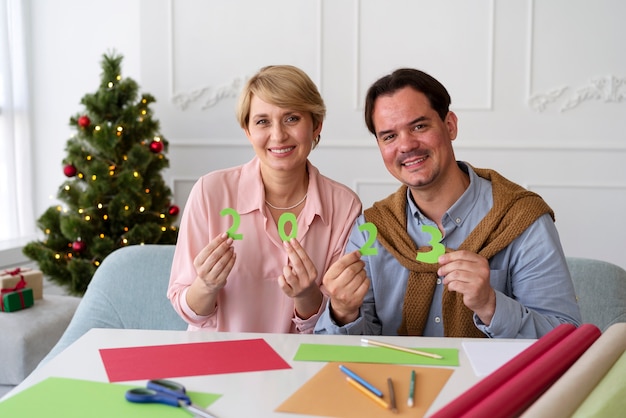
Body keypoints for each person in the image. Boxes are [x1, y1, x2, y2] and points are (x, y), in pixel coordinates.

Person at [314, 68, 581, 338]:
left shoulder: (522, 219)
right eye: (390, 136)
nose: (406, 145)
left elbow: (566, 338)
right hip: (395, 378)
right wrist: (343, 312)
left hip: (498, 380)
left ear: (450, 125)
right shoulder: (371, 230)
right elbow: (339, 349)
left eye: (419, 126)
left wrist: (491, 305)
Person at [168, 65, 362, 333]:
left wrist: (306, 296)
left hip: (299, 365)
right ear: (247, 130)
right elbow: (189, 311)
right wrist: (206, 285)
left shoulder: (344, 206)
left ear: (316, 126)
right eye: (262, 121)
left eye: (292, 118)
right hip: (220, 363)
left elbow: (334, 325)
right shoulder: (209, 192)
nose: (278, 135)